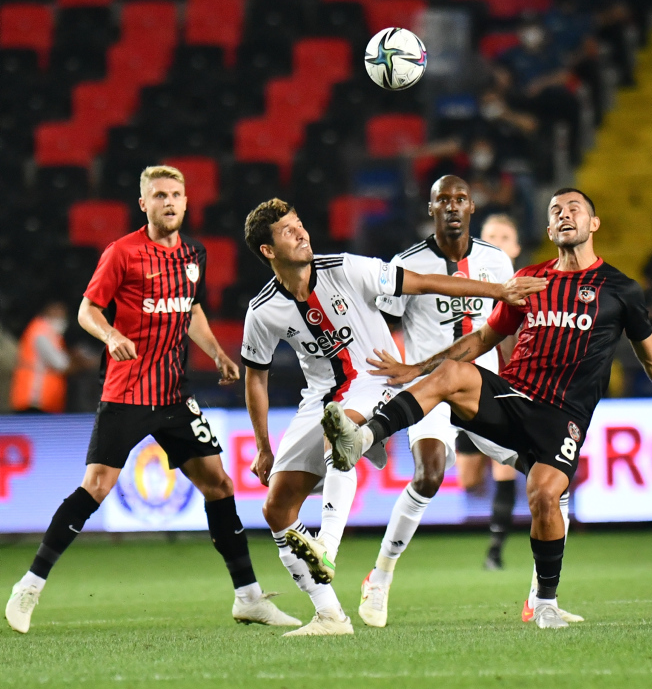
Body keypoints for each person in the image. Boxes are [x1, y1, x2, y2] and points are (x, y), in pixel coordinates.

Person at [323, 188, 652, 630]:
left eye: (574, 209)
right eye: (556, 211)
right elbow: (483, 340)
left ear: (593, 224)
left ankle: (543, 601)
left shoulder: (620, 289)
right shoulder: (530, 280)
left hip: (562, 416)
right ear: (548, 229)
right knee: (450, 373)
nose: (565, 215)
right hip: (512, 397)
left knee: (546, 495)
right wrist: (416, 368)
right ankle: (364, 437)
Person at [5, 165, 301, 635]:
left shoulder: (193, 253)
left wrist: (219, 354)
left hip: (173, 394)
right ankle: (29, 586)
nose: (169, 201)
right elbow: (87, 309)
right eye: (159, 194)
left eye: (176, 194)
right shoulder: (121, 253)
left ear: (186, 202)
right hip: (126, 391)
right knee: (97, 487)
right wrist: (110, 334)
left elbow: (193, 308)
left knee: (219, 485)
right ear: (143, 203)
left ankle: (248, 597)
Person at [240, 197, 545, 637]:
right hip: (319, 397)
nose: (301, 232)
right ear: (268, 250)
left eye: (299, 223)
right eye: (288, 231)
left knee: (339, 432)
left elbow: (421, 282)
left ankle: (326, 544)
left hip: (376, 378)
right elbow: (256, 379)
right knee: (276, 507)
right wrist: (264, 446)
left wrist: (498, 291)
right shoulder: (263, 310)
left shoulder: (345, 268)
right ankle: (329, 616)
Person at [455, 214, 525, 571]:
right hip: (464, 387)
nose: (497, 241)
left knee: (503, 467)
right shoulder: (465, 284)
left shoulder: (525, 287)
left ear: (515, 247)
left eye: (505, 235)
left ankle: (495, 550)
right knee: (468, 479)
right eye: (490, 235)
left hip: (503, 389)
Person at [10, 300, 92, 413]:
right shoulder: (42, 333)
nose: (62, 319)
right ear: (46, 313)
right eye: (58, 314)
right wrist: (84, 363)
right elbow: (61, 364)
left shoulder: (50, 334)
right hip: (35, 399)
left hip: (43, 400)